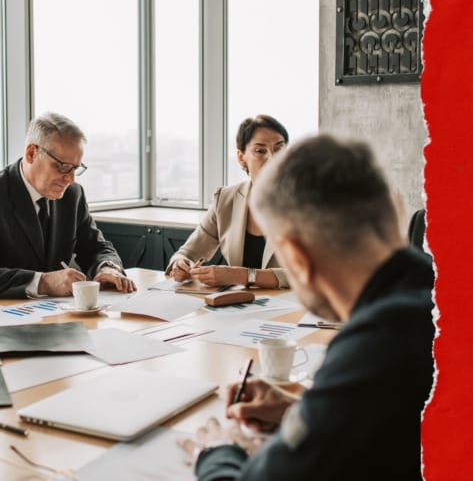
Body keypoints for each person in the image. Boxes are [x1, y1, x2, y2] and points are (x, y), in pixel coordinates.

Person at [177, 136, 435, 480]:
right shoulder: (438, 303)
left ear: (296, 257)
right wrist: (299, 411)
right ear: (398, 208)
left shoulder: (374, 344)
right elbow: (395, 422)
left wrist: (216, 451)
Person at [0, 112, 136, 299]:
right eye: (63, 166)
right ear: (31, 153)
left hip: (55, 317)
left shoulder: (72, 195)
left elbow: (96, 247)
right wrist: (43, 282)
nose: (70, 178)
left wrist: (107, 268)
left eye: (75, 168)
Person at [166, 115, 291, 289]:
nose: (272, 158)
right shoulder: (225, 199)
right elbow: (188, 252)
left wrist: (243, 275)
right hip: (241, 307)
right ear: (241, 157)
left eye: (279, 149)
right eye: (260, 151)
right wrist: (180, 264)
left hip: (296, 309)